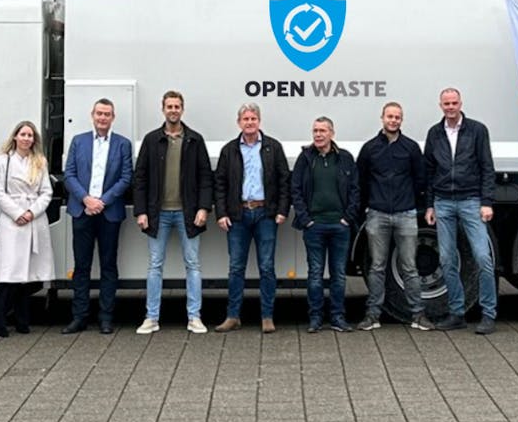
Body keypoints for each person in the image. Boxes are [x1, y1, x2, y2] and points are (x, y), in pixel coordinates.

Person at [133, 90, 213, 334]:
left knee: (193, 264)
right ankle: (152, 317)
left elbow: (205, 178)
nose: (173, 110)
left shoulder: (195, 140)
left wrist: (203, 208)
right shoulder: (151, 140)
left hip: (188, 213)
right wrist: (141, 211)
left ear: (182, 109)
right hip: (158, 214)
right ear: (163, 109)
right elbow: (140, 179)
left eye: (177, 106)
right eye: (169, 106)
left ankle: (194, 317)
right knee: (155, 265)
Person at [424, 87, 498, 335]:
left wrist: (486, 202)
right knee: (446, 260)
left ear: (461, 103)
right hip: (443, 202)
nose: (450, 107)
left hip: (471, 201)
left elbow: (487, 167)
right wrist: (429, 204)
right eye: (446, 103)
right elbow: (429, 171)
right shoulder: (434, 133)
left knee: (482, 258)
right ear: (440, 105)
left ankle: (488, 314)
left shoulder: (477, 130)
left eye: (454, 102)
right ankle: (457, 313)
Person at [213, 102, 290, 334]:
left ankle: (267, 316)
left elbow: (283, 180)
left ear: (259, 121)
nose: (249, 123)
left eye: (253, 119)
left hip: (265, 214)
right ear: (239, 123)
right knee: (236, 268)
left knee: (267, 267)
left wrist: (282, 210)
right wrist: (222, 213)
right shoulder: (230, 150)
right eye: (245, 119)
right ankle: (233, 316)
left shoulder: (272, 147)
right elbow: (220, 184)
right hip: (238, 215)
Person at [356, 101, 432, 331]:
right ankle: (372, 315)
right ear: (382, 118)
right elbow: (361, 181)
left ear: (401, 120)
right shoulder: (370, 149)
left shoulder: (410, 148)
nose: (393, 120)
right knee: (377, 267)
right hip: (377, 214)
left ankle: (418, 315)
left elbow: (421, 180)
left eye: (397, 117)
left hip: (405, 214)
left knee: (409, 266)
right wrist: (367, 207)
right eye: (389, 116)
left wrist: (412, 203)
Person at [62, 98, 133, 335]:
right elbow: (69, 174)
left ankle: (106, 317)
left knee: (108, 266)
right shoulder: (78, 141)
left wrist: (102, 201)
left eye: (107, 114)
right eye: (99, 113)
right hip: (82, 210)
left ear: (113, 118)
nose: (103, 118)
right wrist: (86, 199)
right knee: (81, 266)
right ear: (92, 115)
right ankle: (79, 317)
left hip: (108, 212)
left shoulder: (123, 144)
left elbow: (125, 178)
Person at [290, 116, 360, 333]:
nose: (318, 135)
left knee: (338, 275)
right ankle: (315, 318)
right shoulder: (305, 158)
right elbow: (296, 190)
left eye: (322, 131)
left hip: (339, 226)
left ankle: (338, 317)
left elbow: (355, 190)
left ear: (332, 133)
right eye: (315, 131)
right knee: (315, 274)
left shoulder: (345, 158)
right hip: (314, 226)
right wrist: (306, 219)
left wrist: (347, 218)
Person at [0, 120, 53, 336]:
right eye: (23, 134)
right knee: (9, 272)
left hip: (34, 219)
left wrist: (31, 212)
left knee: (27, 275)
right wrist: (17, 213)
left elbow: (46, 192)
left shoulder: (40, 162)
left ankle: (22, 320)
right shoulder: (3, 160)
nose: (26, 138)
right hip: (12, 220)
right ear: (15, 137)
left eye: (30, 135)